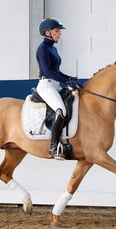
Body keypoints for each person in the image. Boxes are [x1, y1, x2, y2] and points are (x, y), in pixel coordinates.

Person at [36, 18, 80, 160]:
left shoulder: (52, 49)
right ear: (47, 32)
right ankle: (53, 147)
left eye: (59, 31)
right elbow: (47, 71)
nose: (59, 34)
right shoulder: (42, 49)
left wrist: (70, 78)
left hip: (55, 84)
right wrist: (66, 80)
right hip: (46, 85)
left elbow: (56, 71)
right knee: (61, 111)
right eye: (57, 31)